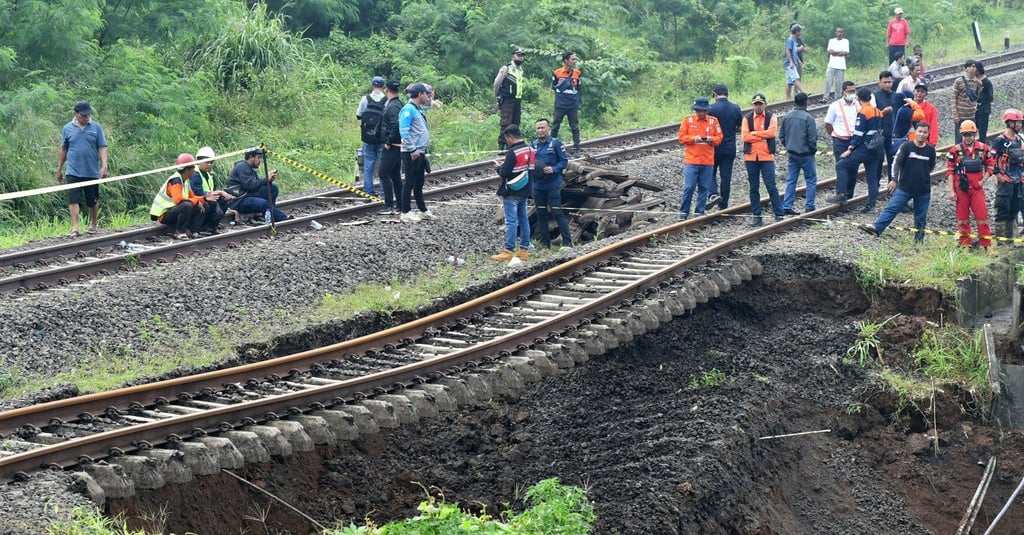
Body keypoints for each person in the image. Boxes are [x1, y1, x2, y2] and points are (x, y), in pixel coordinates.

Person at [861, 122, 937, 242]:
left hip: (923, 190)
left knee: (920, 217)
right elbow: (896, 164)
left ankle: (918, 241)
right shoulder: (906, 147)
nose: (922, 134)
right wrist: (894, 180)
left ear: (928, 134)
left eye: (925, 132)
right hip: (905, 187)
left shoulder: (930, 151)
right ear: (915, 132)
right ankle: (877, 227)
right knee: (892, 208)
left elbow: (931, 167)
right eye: (920, 131)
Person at [57, 100, 108, 237]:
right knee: (73, 199)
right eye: (83, 116)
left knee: (92, 200)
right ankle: (75, 227)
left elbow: (102, 147)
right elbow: (64, 149)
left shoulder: (96, 128)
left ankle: (93, 224)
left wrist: (104, 166)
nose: (86, 118)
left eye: (88, 115)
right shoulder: (67, 128)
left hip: (91, 171)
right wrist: (59, 169)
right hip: (73, 171)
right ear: (76, 114)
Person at [828, 87, 883, 211]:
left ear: (859, 99)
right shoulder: (878, 111)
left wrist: (850, 148)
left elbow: (858, 133)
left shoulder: (863, 112)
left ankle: (841, 193)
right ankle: (871, 204)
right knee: (872, 177)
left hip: (865, 149)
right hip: (877, 148)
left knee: (841, 165)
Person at [947, 120, 995, 250]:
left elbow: (990, 166)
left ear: (975, 134)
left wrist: (983, 180)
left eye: (970, 134)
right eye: (965, 134)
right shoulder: (954, 150)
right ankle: (965, 246)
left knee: (982, 217)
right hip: (961, 189)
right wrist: (952, 191)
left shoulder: (983, 148)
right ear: (961, 135)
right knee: (962, 218)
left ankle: (986, 246)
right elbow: (950, 171)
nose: (968, 137)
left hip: (977, 188)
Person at [491, 124, 533, 261]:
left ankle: (508, 250)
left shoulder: (512, 152)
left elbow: (505, 172)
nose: (506, 142)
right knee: (524, 220)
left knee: (511, 221)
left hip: (511, 191)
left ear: (510, 137)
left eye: (506, 139)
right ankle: (524, 250)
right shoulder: (531, 149)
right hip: (525, 190)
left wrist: (498, 168)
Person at [677, 97, 723, 220]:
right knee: (689, 186)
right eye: (699, 110)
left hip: (707, 160)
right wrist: (694, 139)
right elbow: (681, 138)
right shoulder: (687, 121)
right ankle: (684, 211)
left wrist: (710, 139)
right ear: (695, 110)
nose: (701, 113)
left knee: (704, 187)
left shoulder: (713, 121)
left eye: (703, 111)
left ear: (707, 110)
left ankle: (699, 211)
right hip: (691, 160)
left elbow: (719, 138)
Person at [741, 93, 783, 226]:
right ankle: (757, 216)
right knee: (754, 187)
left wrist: (754, 134)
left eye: (760, 104)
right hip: (751, 157)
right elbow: (745, 137)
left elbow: (771, 133)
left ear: (765, 104)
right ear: (752, 105)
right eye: (756, 104)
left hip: (766, 156)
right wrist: (762, 136)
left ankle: (779, 213)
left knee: (771, 185)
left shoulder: (772, 117)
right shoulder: (747, 118)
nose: (758, 107)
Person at [531, 118, 573, 248]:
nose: (540, 130)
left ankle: (567, 242)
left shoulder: (556, 143)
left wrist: (554, 169)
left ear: (549, 129)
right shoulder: (533, 145)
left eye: (543, 127)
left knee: (557, 212)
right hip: (537, 186)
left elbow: (564, 161)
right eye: (538, 128)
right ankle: (545, 243)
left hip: (552, 185)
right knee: (541, 213)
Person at [400, 83, 436, 223]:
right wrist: (412, 149)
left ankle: (422, 210)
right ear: (420, 94)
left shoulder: (418, 109)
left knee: (419, 182)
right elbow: (404, 130)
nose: (428, 96)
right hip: (411, 152)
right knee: (409, 181)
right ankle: (406, 211)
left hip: (419, 151)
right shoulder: (408, 110)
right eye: (426, 94)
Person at [779, 92, 819, 214]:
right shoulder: (808, 118)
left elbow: (782, 136)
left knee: (791, 180)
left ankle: (787, 205)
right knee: (811, 179)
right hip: (806, 154)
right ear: (806, 103)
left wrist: (789, 146)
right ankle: (809, 205)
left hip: (792, 154)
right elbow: (812, 137)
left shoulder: (787, 117)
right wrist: (812, 149)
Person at [150, 153, 206, 239]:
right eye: (193, 168)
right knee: (187, 205)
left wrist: (205, 198)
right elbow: (178, 200)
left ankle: (193, 230)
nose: (195, 170)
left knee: (203, 205)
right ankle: (179, 232)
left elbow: (192, 197)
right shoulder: (176, 180)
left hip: (174, 211)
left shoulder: (186, 181)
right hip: (164, 215)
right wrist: (196, 201)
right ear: (186, 170)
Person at [227, 147, 289, 223]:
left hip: (248, 195)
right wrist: (266, 179)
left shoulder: (249, 168)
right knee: (263, 203)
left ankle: (269, 215)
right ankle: (283, 219)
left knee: (272, 189)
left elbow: (256, 186)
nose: (260, 161)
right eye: (258, 158)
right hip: (239, 200)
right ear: (250, 157)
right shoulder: (241, 167)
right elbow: (250, 185)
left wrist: (268, 181)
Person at [988, 109, 1024, 239]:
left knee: (1013, 210)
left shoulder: (1019, 140)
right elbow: (991, 158)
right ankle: (1002, 242)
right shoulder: (1000, 140)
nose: (1020, 125)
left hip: (1017, 181)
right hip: (1005, 181)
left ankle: (1011, 239)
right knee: (1002, 210)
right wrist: (998, 174)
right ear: (1010, 123)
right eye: (1018, 122)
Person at [706, 84, 742, 210]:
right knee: (726, 176)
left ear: (714, 94)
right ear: (727, 94)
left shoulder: (710, 108)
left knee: (710, 172)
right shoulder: (736, 108)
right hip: (729, 147)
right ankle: (724, 204)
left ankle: (713, 194)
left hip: (713, 147)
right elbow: (739, 127)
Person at [824, 82, 860, 199]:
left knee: (853, 168)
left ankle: (849, 194)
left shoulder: (857, 105)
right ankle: (841, 193)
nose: (852, 94)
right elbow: (828, 123)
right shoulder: (835, 106)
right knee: (842, 165)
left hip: (854, 141)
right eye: (850, 91)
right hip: (840, 140)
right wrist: (835, 135)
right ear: (843, 92)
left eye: (854, 91)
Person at [190, 146, 235, 234]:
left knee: (225, 200)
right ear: (199, 161)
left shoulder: (208, 175)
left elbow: (211, 190)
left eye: (211, 162)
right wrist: (218, 193)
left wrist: (221, 194)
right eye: (207, 162)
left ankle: (211, 227)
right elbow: (197, 192)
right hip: (198, 202)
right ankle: (200, 227)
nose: (209, 165)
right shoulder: (195, 174)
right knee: (212, 203)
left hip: (207, 199)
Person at [356, 76, 388, 196]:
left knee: (368, 166)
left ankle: (368, 192)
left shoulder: (365, 99)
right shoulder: (386, 100)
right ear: (384, 87)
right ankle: (384, 194)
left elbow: (359, 115)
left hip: (368, 138)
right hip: (382, 138)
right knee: (383, 166)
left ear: (372, 86)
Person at [378, 79, 404, 215]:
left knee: (383, 173)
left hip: (393, 146)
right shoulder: (397, 103)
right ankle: (400, 204)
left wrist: (388, 141)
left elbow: (396, 125)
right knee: (395, 175)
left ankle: (389, 205)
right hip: (397, 146)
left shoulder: (393, 106)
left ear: (386, 89)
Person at [494, 48, 525, 152]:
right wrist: (498, 95)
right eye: (518, 55)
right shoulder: (506, 68)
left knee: (516, 122)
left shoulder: (520, 70)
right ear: (513, 56)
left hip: (517, 99)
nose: (520, 57)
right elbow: (497, 83)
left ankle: (512, 145)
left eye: (521, 55)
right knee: (505, 122)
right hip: (507, 98)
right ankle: (502, 145)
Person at [551, 51, 582, 158]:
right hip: (560, 105)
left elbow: (579, 88)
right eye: (572, 59)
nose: (574, 61)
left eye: (575, 59)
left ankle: (577, 149)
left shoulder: (577, 73)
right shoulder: (557, 73)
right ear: (566, 61)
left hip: (572, 105)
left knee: (574, 127)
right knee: (555, 126)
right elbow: (553, 87)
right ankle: (551, 147)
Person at [873, 71, 898, 182]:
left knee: (892, 159)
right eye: (885, 82)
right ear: (880, 83)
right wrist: (882, 112)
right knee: (878, 160)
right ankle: (876, 184)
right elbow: (872, 114)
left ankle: (891, 183)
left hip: (892, 133)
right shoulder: (875, 96)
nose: (887, 84)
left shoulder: (896, 96)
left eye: (889, 82)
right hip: (880, 133)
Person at [952, 60, 980, 144]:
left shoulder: (978, 83)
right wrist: (955, 114)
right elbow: (954, 98)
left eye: (974, 66)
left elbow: (976, 97)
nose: (972, 68)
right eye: (970, 66)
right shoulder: (959, 81)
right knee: (959, 138)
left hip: (971, 114)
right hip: (960, 115)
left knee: (971, 136)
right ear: (966, 69)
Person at [891, 90, 926, 155]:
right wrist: (913, 103)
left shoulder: (899, 109)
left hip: (902, 143)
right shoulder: (905, 111)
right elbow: (921, 115)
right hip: (907, 144)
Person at [823, 27, 849, 104]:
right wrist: (840, 52)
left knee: (839, 84)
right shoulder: (831, 41)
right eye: (838, 32)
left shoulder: (846, 41)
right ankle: (825, 98)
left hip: (841, 66)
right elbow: (830, 51)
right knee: (828, 82)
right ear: (836, 32)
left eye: (841, 32)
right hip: (831, 65)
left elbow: (846, 52)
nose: (839, 33)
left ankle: (837, 98)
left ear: (843, 33)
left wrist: (836, 53)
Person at [784, 24, 805, 99]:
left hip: (794, 63)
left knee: (789, 82)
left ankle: (788, 98)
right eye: (800, 31)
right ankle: (804, 93)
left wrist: (798, 60)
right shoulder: (790, 40)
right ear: (796, 32)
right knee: (796, 79)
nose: (801, 32)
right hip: (790, 64)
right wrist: (791, 62)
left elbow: (794, 52)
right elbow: (788, 50)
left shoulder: (794, 40)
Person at [974, 62, 993, 141]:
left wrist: (980, 98)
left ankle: (982, 149)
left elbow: (990, 96)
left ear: (978, 70)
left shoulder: (986, 82)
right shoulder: (973, 82)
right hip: (974, 111)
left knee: (982, 132)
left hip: (983, 110)